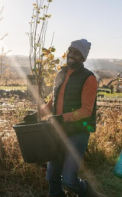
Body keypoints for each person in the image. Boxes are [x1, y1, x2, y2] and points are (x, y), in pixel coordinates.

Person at [24, 39, 101, 197]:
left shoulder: (89, 78)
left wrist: (61, 118)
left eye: (77, 53)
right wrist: (36, 115)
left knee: (69, 179)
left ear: (83, 58)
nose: (71, 55)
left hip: (78, 133)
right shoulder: (61, 73)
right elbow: (53, 102)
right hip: (58, 132)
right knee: (51, 176)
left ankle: (91, 194)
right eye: (70, 51)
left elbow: (86, 110)